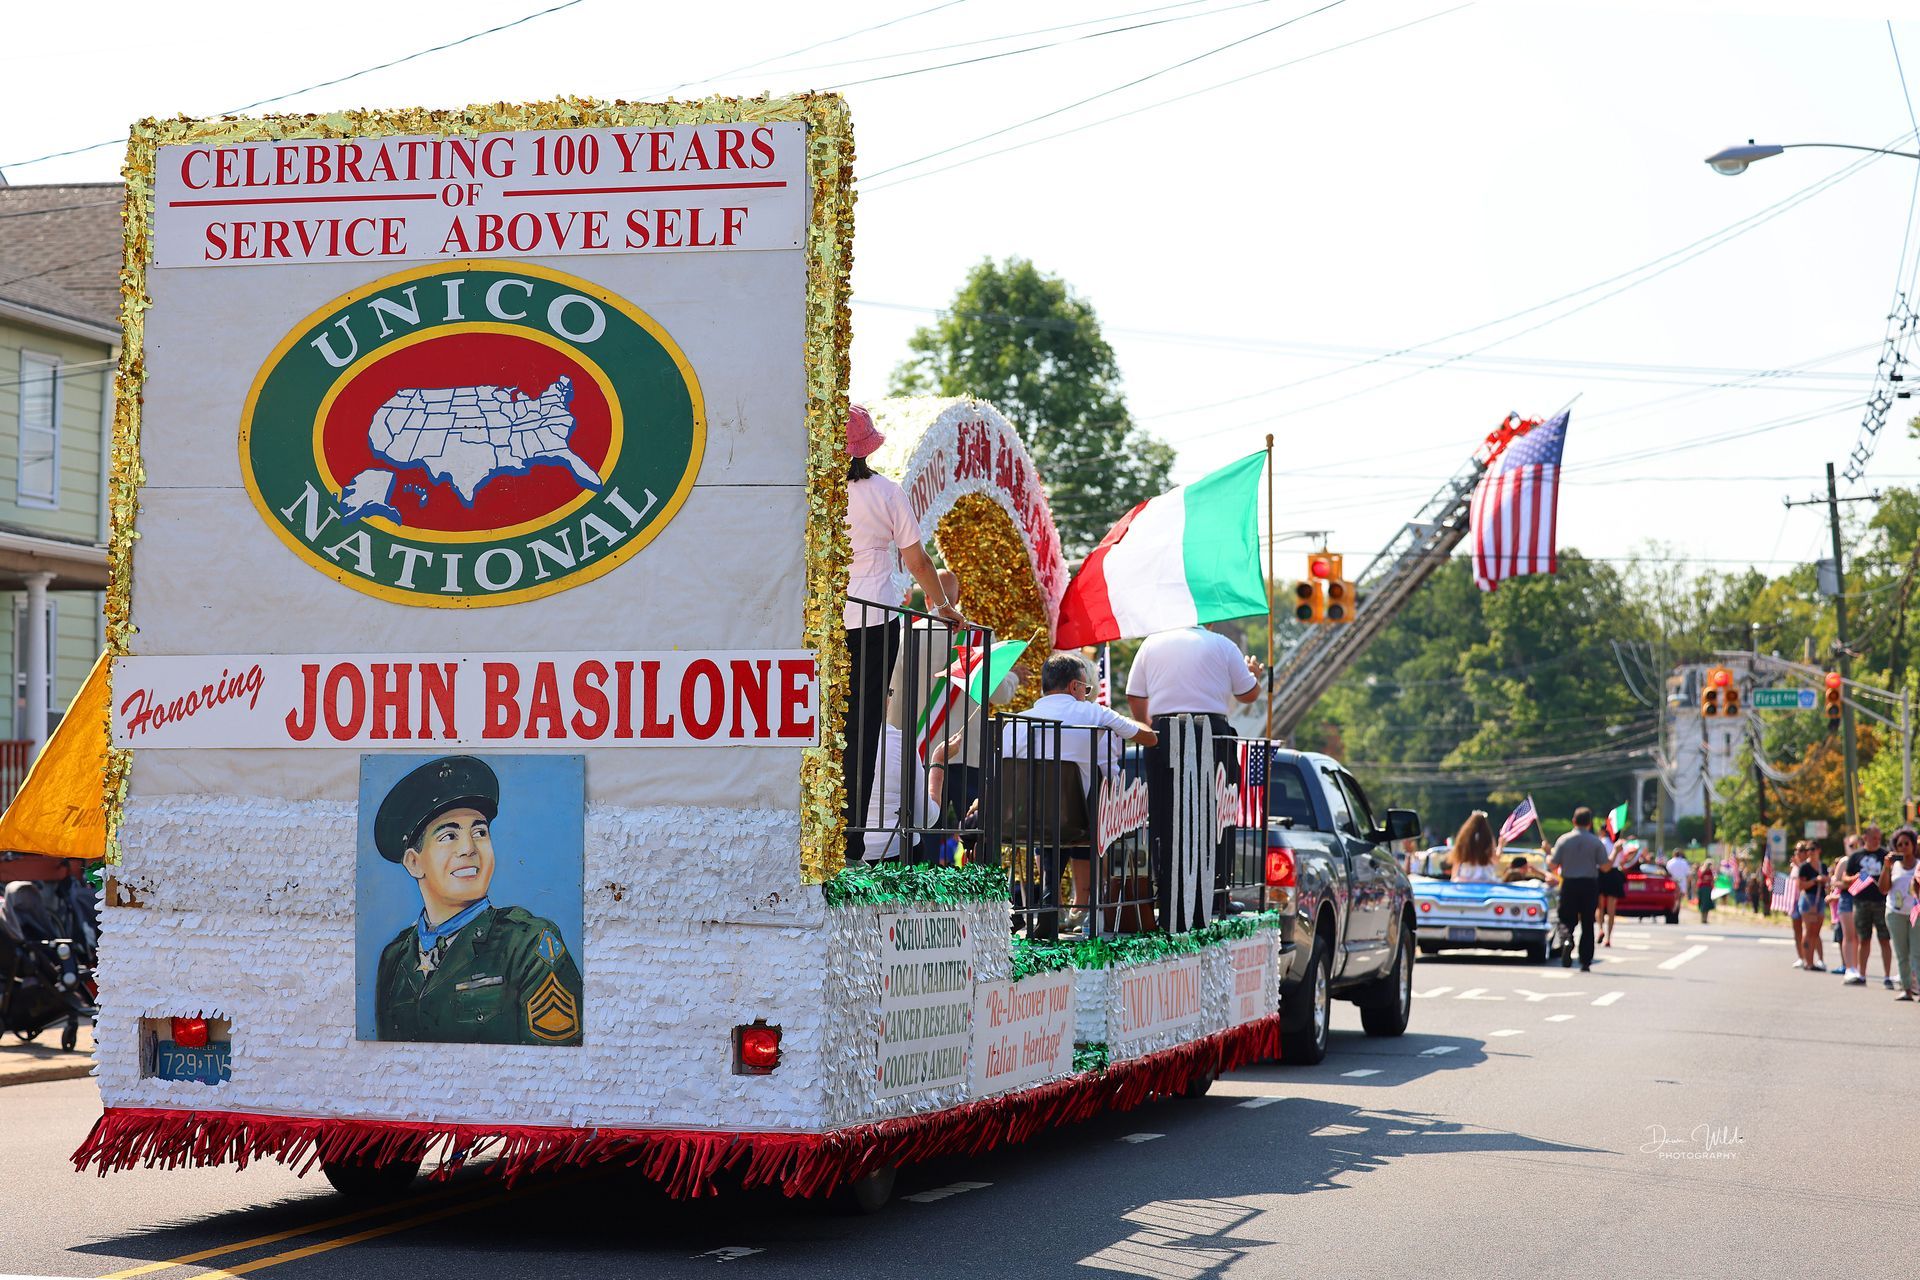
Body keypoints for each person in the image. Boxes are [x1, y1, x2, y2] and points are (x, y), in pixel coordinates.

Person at [371, 755, 584, 1045]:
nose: (469, 849)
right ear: (413, 862)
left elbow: (553, 1063)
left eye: (480, 832)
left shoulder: (527, 944)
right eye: (448, 836)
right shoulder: (394, 958)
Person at [841, 404, 965, 864]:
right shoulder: (885, 492)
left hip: (823, 622)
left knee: (819, 721)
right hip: (874, 620)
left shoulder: (812, 492)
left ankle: (818, 834)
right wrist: (942, 606)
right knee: (864, 723)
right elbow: (918, 562)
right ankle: (850, 840)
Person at [981, 654, 1157, 933]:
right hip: (1078, 821)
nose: (1087, 695)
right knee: (1077, 815)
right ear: (1075, 687)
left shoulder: (1015, 722)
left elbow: (996, 776)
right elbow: (1149, 737)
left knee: (1047, 819)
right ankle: (1085, 908)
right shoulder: (1093, 714)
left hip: (1018, 823)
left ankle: (1047, 908)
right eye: (1086, 689)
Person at [1126, 623, 1263, 932]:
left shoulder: (1152, 641)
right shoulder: (1223, 644)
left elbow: (1135, 694)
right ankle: (1216, 894)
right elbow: (1249, 694)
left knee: (1164, 814)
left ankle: (1167, 892)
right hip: (1211, 732)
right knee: (1214, 817)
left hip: (1163, 730)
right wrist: (1253, 672)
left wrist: (1148, 727)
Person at [1549, 806, 1608, 970]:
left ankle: (1567, 940)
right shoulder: (1596, 842)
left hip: (1569, 883)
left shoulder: (1564, 840)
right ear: (1590, 823)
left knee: (1565, 918)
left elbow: (1553, 864)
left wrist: (1548, 855)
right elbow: (1605, 867)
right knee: (1588, 922)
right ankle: (1585, 960)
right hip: (1589, 884)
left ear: (1574, 821)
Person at [1845, 823, 1894, 988]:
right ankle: (1862, 974)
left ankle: (1887, 976)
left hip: (1881, 901)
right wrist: (1854, 878)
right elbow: (1845, 879)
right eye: (1874, 838)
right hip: (1861, 902)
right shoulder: (1856, 856)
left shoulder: (1886, 855)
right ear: (1865, 837)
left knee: (1884, 939)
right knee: (1864, 939)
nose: (1877, 841)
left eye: (1879, 838)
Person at [1881, 827, 1918, 1000]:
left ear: (1913, 845)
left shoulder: (1919, 866)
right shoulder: (1893, 866)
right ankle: (1907, 989)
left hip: (1916, 913)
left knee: (1916, 952)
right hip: (1895, 913)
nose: (1903, 847)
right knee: (1902, 953)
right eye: (1899, 844)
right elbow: (1883, 889)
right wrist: (1886, 867)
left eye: (1906, 843)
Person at [1834, 834, 1862, 981]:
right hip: (1847, 899)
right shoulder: (1845, 861)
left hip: (1861, 900)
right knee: (1849, 935)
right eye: (1852, 845)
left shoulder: (1864, 860)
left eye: (1858, 845)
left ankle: (1857, 968)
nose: (1855, 848)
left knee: (1859, 937)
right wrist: (1849, 882)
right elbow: (1836, 882)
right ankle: (1849, 967)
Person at [1446, 812, 1500, 882]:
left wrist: (1453, 878)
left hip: (1465, 879)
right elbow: (1495, 860)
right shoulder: (1488, 839)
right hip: (1485, 879)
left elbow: (1457, 861)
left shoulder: (1463, 838)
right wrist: (1501, 846)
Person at [1598, 840, 1629, 946]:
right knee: (1611, 910)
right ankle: (1608, 938)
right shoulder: (1619, 844)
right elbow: (1624, 861)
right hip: (1614, 874)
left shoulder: (1601, 842)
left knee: (1600, 907)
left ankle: (1600, 929)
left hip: (1601, 873)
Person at [1665, 848, 1692, 915]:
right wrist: (1688, 885)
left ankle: (1674, 911)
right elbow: (1688, 875)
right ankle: (1676, 911)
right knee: (1679, 899)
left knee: (1673, 898)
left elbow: (1667, 873)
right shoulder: (1684, 862)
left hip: (1671, 883)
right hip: (1681, 883)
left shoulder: (1670, 862)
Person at [1695, 857, 1715, 924]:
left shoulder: (1710, 871)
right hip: (1702, 888)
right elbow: (1700, 876)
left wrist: (1712, 886)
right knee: (1703, 904)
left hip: (1708, 888)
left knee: (1707, 904)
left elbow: (1712, 879)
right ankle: (1702, 918)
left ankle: (1705, 918)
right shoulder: (1702, 869)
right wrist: (1705, 869)